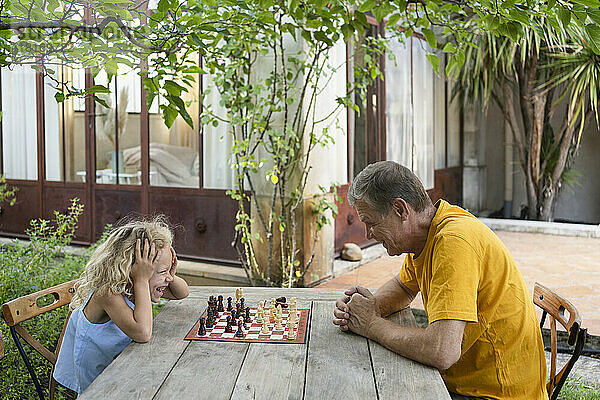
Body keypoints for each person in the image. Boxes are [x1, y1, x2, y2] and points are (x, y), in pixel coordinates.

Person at [332, 161, 547, 400]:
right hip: (468, 381)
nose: (367, 234)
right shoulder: (428, 233)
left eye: (371, 223)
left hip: (496, 393)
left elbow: (442, 351)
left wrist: (371, 325)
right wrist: (371, 307)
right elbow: (404, 285)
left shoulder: (454, 241)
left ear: (400, 210)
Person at [53, 217, 189, 394]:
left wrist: (170, 272)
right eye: (162, 272)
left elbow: (182, 293)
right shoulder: (108, 293)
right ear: (133, 269)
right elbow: (143, 333)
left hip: (126, 370)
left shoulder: (131, 285)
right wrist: (141, 279)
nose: (168, 279)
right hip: (101, 387)